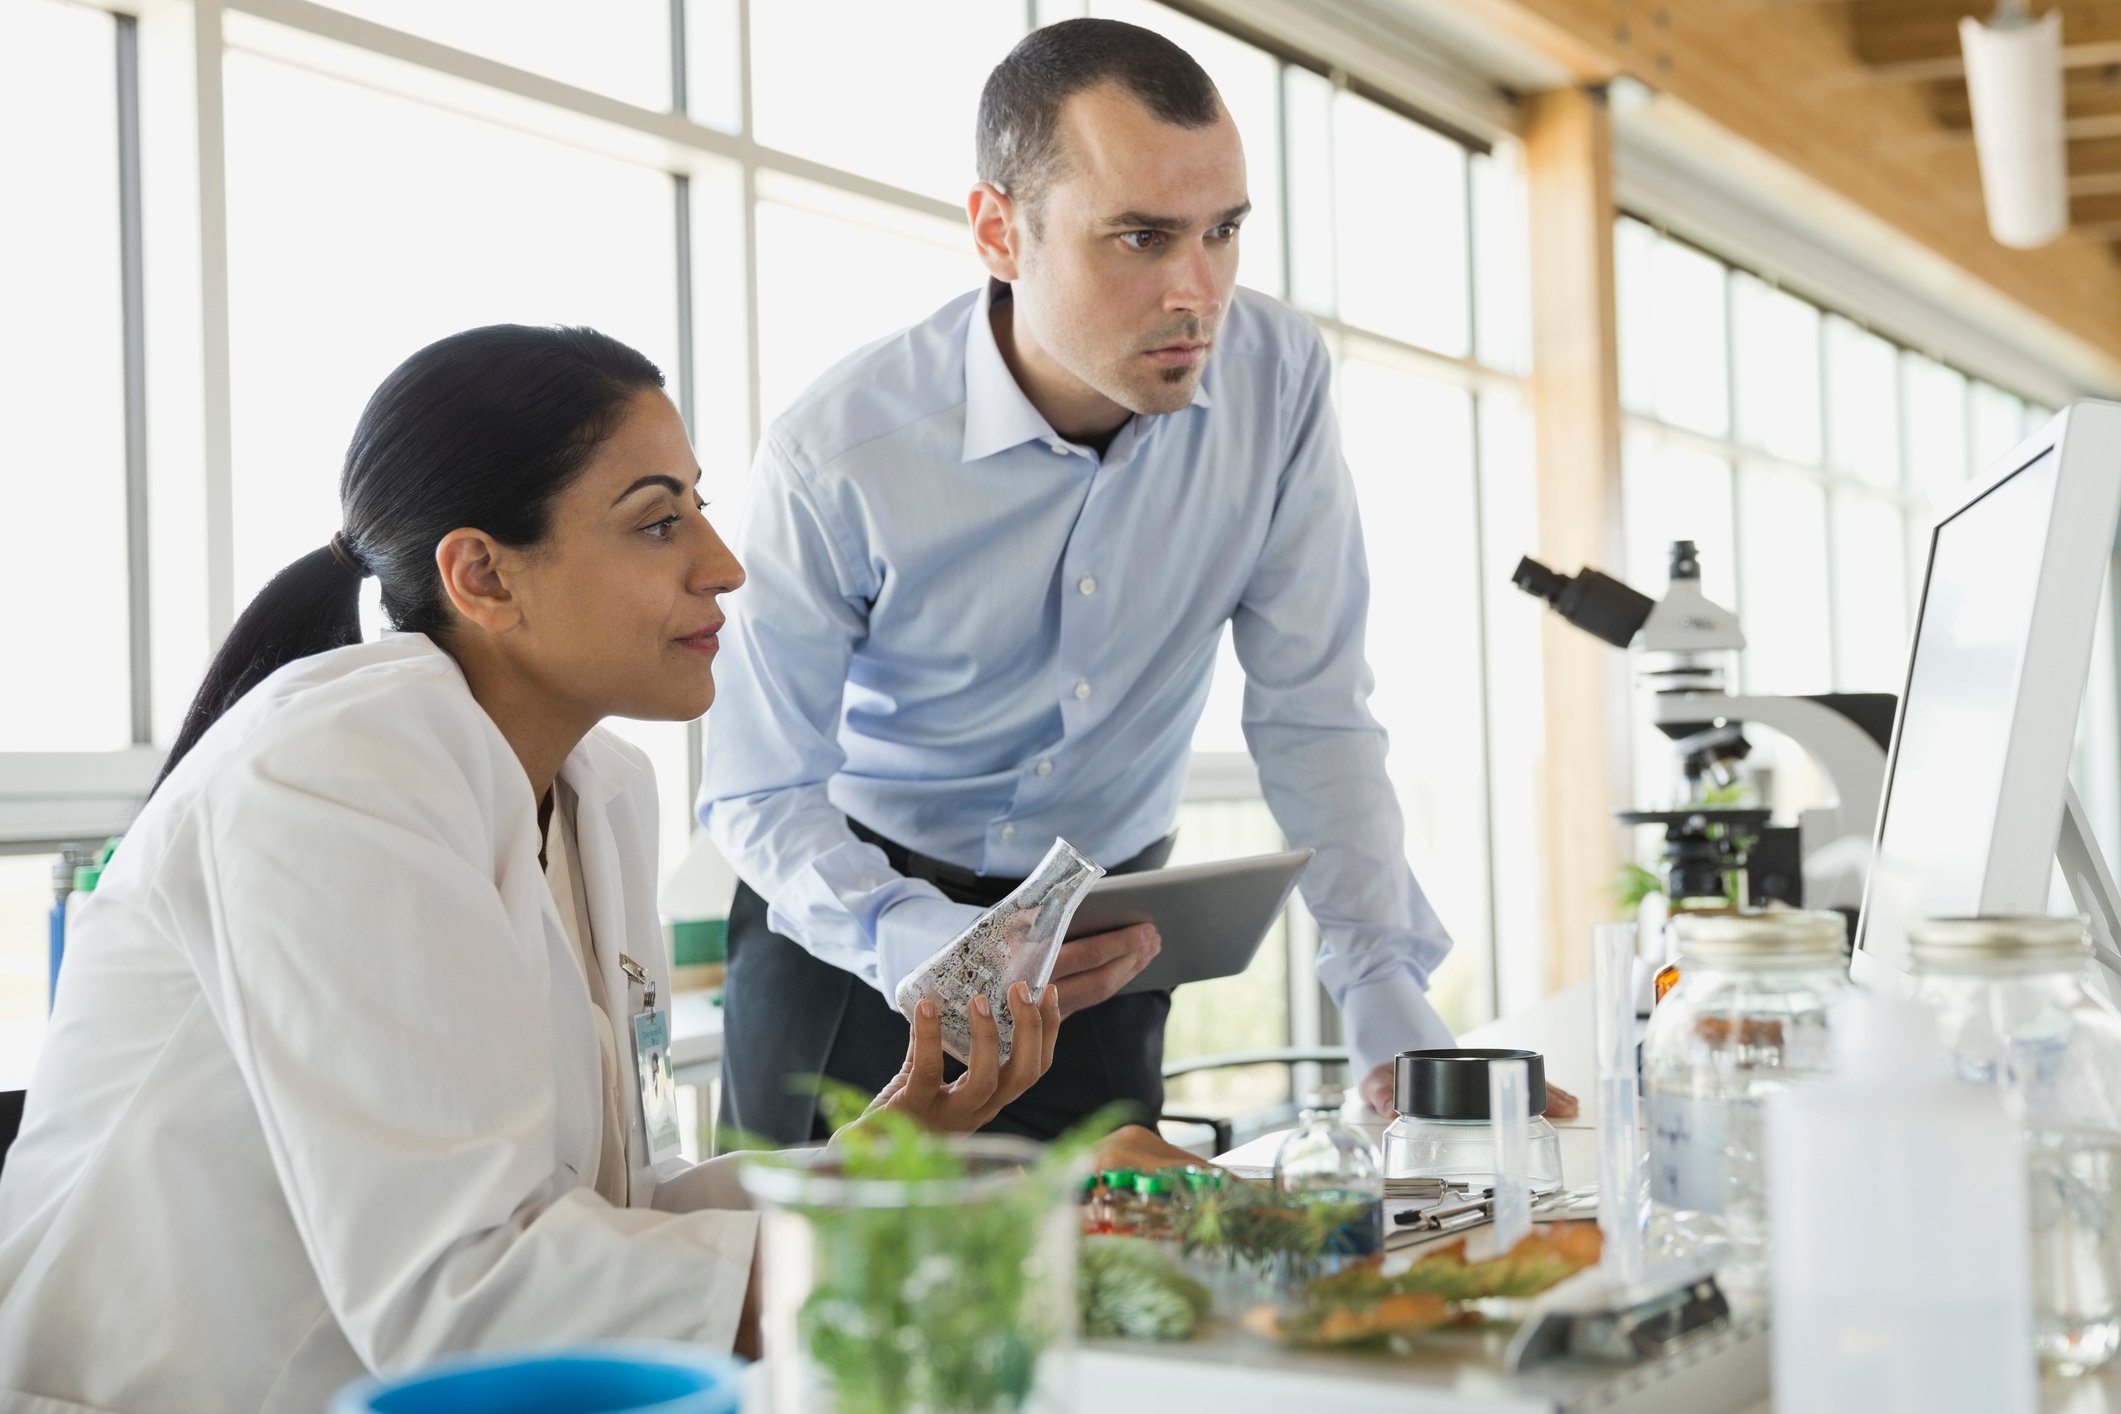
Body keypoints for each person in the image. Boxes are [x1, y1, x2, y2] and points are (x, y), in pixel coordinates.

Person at [0, 325, 1080, 1413]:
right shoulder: (333, 780)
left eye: (698, 506)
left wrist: (872, 1165)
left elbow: (614, 1207)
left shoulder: (599, 788)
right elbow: (467, 1299)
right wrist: (1001, 1244)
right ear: (482, 576)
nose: (723, 562)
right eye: (660, 522)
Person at [702, 17, 1576, 1146]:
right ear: (998, 231)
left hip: (1099, 948)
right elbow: (757, 789)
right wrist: (912, 938)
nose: (1196, 292)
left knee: (1123, 1289)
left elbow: (1315, 713)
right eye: (1140, 239)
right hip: (853, 941)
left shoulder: (1279, 382)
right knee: (811, 1300)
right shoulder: (845, 450)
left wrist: (1382, 988)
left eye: (1222, 232)